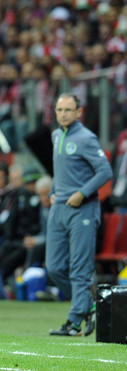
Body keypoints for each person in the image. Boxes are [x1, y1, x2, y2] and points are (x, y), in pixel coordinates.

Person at [47, 93, 113, 337]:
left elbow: (105, 171)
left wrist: (82, 193)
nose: (63, 114)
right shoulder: (56, 135)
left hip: (82, 209)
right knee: (53, 267)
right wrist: (54, 191)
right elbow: (59, 169)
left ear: (78, 112)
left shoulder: (86, 138)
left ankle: (74, 322)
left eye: (68, 110)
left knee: (79, 268)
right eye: (59, 109)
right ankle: (88, 306)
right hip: (58, 208)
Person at [0, 167, 43, 283]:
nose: (31, 186)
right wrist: (10, 236)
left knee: (10, 260)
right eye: (28, 183)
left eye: (33, 183)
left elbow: (39, 225)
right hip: (16, 238)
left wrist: (33, 238)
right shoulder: (21, 196)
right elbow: (13, 218)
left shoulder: (43, 200)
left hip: (30, 241)